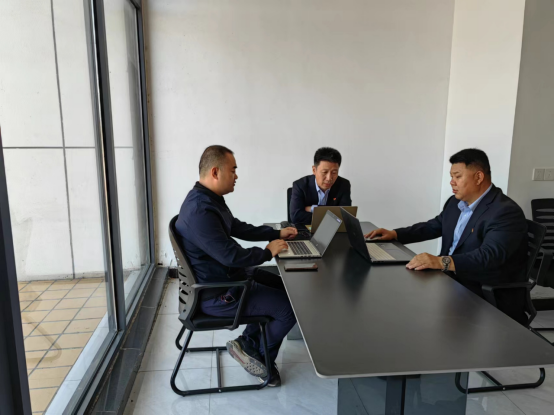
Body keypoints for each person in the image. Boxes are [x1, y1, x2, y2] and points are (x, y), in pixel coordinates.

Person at [176, 145, 298, 387]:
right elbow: (231, 256)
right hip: (218, 294)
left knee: (286, 288)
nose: (236, 176)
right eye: (232, 170)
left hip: (227, 279)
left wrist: (275, 233)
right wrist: (267, 252)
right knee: (289, 309)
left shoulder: (208, 200)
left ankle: (247, 343)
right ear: (215, 172)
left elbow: (237, 227)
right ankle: (260, 358)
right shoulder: (200, 211)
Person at [366, 149, 529, 325]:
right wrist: (396, 234)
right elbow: (435, 225)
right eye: (451, 176)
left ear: (478, 177)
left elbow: (489, 256)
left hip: (481, 291)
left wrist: (441, 262)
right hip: (450, 279)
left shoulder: (505, 212)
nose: (452, 182)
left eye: (457, 176)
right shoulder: (455, 202)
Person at [290, 147, 352, 226]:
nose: (329, 178)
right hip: (306, 229)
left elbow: (345, 216)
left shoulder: (344, 184)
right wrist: (333, 215)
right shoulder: (300, 185)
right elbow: (296, 217)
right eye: (324, 172)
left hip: (333, 230)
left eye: (334, 172)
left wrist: (313, 208)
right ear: (314, 170)